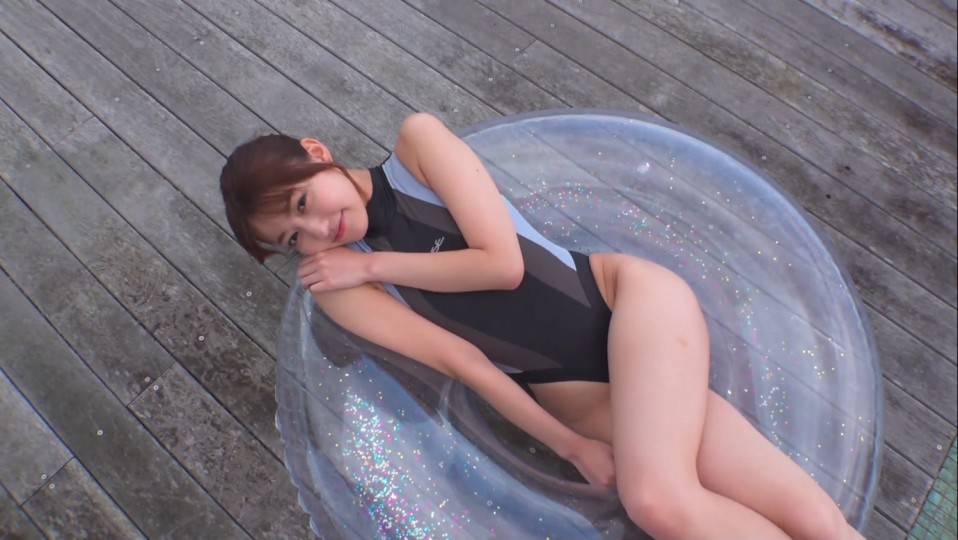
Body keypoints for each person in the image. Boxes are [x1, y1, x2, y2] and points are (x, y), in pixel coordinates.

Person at [220, 112, 863, 540]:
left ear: (317, 154)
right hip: (586, 397)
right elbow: (462, 363)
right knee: (809, 523)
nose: (317, 232)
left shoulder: (416, 147)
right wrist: (570, 445)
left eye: (303, 202)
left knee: (657, 501)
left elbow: (502, 264)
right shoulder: (343, 293)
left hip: (629, 304)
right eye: (293, 240)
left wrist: (374, 263)